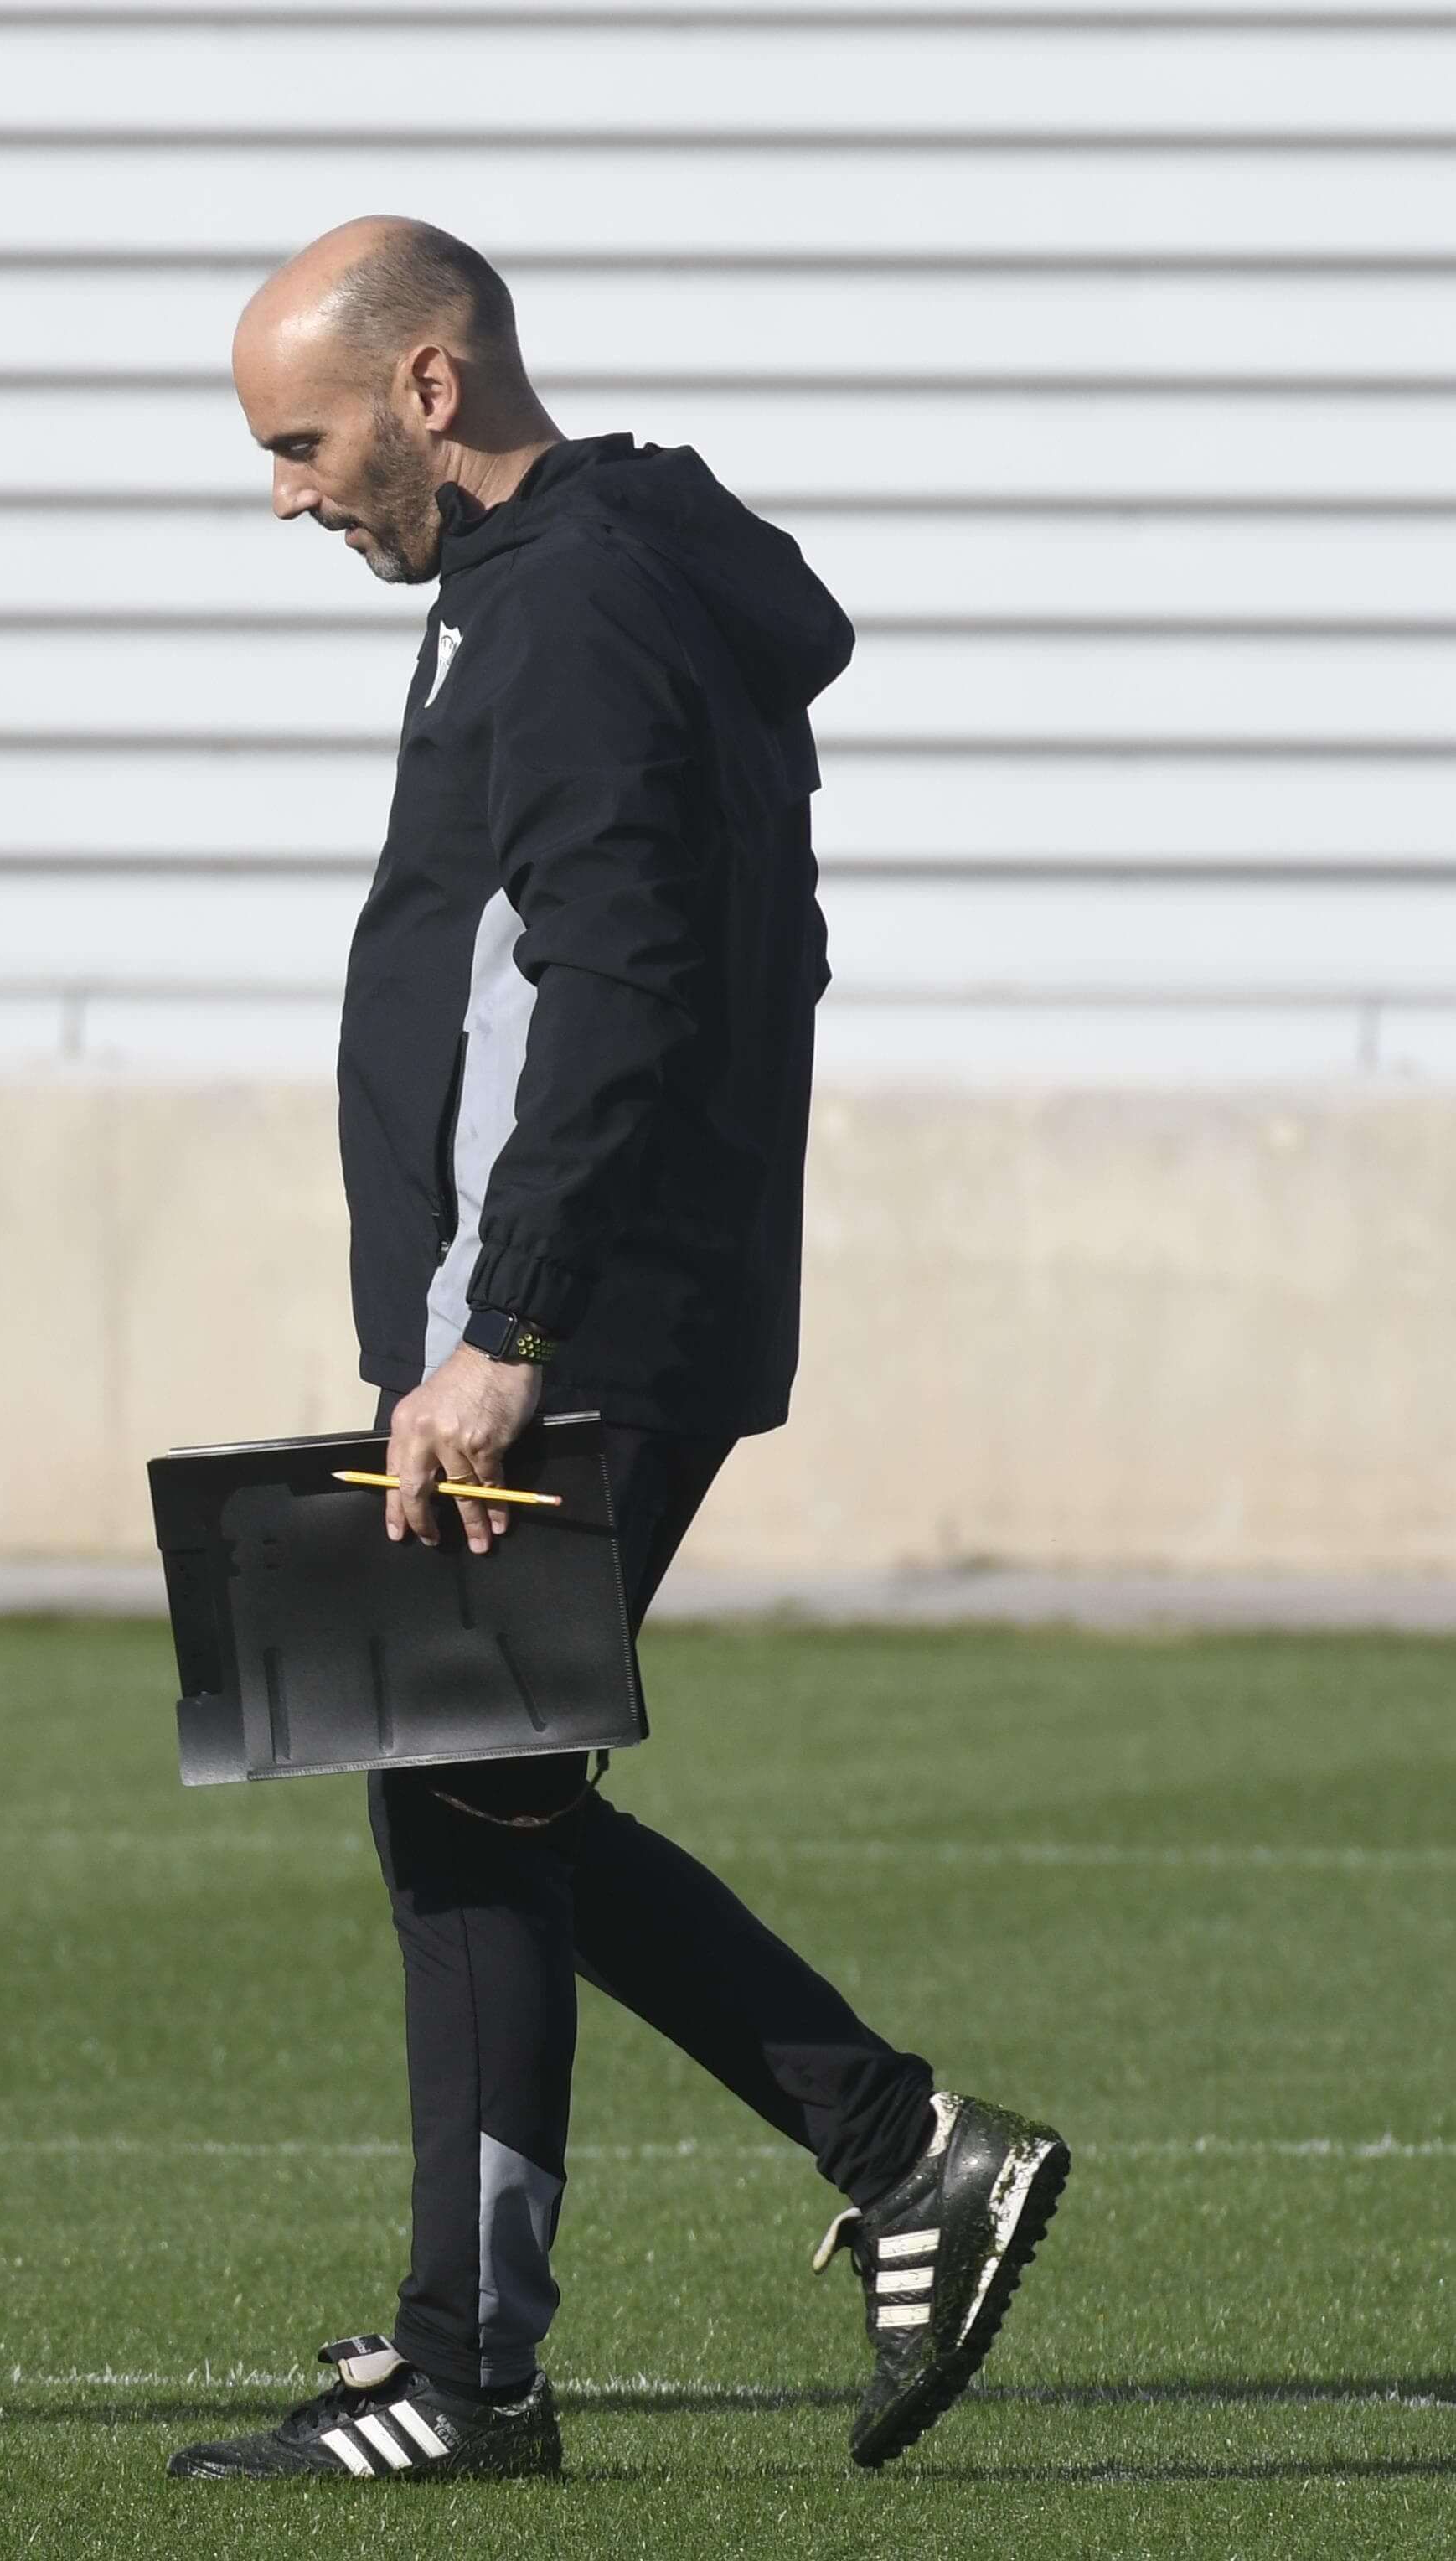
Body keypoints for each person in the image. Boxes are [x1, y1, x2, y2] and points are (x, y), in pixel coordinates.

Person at [171, 219, 1068, 2484]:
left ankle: (580, 2315)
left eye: (307, 439)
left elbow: (621, 977)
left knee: (465, 1798)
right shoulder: (618, 568)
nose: (286, 491)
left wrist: (500, 1329)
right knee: (474, 1791)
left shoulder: (563, 604)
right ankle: (677, 2254)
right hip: (600, 1299)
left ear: (434, 387)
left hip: (572, 1316)